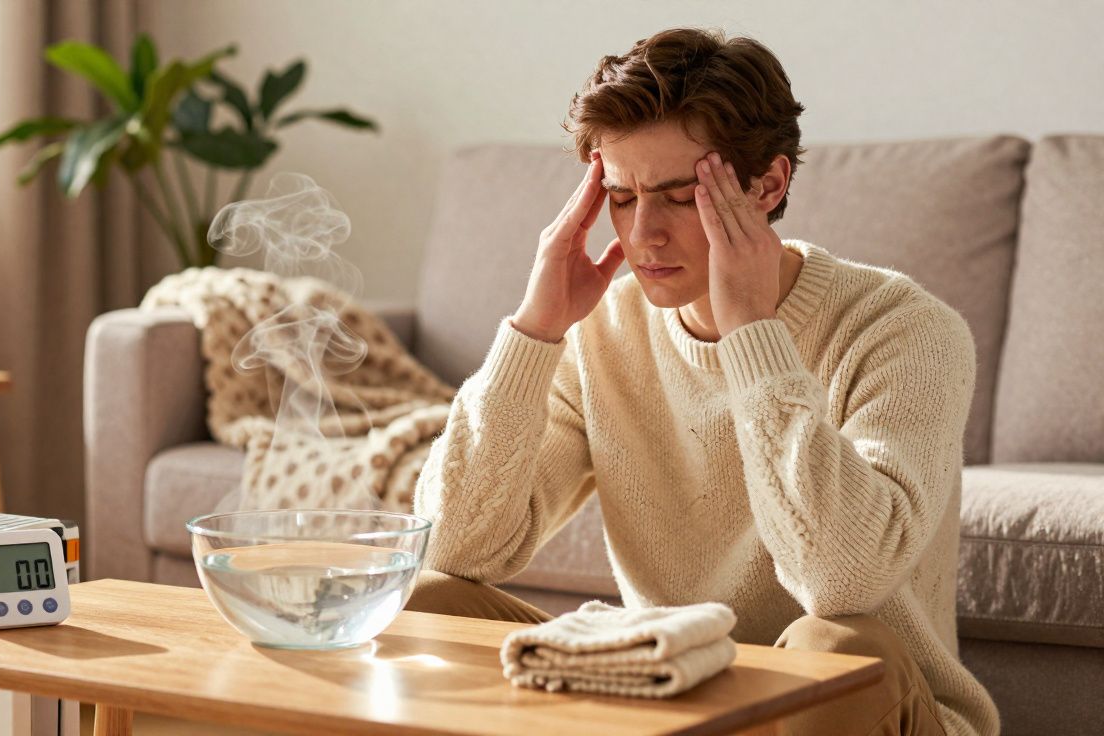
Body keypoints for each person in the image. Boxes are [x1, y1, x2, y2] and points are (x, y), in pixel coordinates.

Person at [407, 26, 999, 736]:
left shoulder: (903, 330)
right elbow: (456, 549)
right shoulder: (602, 328)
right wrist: (534, 330)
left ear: (769, 184)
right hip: (674, 694)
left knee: (833, 646)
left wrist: (753, 335)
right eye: (622, 197)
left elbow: (842, 582)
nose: (644, 235)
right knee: (427, 599)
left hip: (872, 709)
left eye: (680, 196)